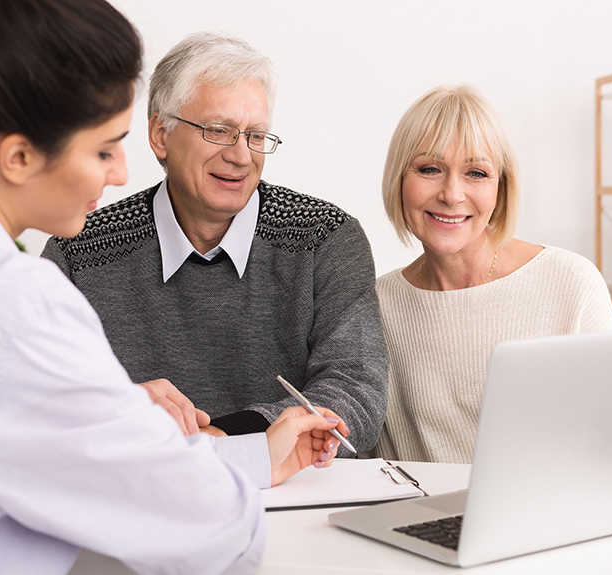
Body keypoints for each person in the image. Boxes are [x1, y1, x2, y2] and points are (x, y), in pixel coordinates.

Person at [0, 2, 348, 574]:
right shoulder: (17, 303)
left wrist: (124, 420)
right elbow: (210, 527)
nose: (119, 173)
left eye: (257, 135)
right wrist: (139, 430)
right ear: (17, 157)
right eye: (104, 149)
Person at [41, 32, 388, 454]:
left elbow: (356, 393)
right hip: (140, 492)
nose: (241, 156)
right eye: (219, 131)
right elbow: (39, 400)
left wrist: (220, 441)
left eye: (256, 136)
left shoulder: (325, 239)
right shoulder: (80, 249)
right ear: (160, 135)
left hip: (300, 500)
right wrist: (119, 409)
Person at [374, 85, 612, 464]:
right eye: (429, 169)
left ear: (501, 188)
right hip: (420, 517)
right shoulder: (377, 305)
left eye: (476, 172)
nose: (452, 194)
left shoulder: (570, 283)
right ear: (399, 180)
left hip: (549, 516)